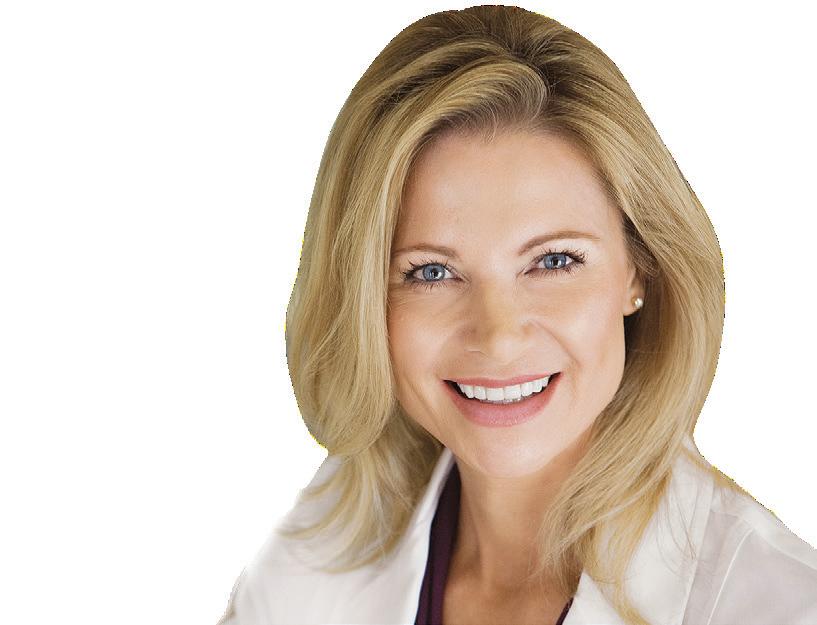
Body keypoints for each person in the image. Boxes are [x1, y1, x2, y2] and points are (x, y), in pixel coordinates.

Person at [217, 6, 817, 624]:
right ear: (363, 296)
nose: (499, 338)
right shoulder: (301, 568)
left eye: (553, 261)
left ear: (638, 270)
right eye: (431, 272)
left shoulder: (784, 607)